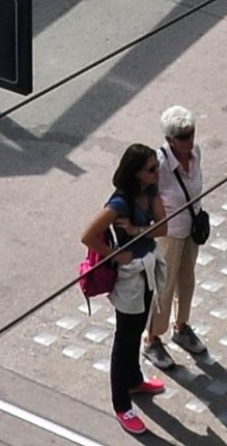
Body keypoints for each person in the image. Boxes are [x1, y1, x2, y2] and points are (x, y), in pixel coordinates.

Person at [82, 144, 166, 434]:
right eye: (151, 169)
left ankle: (134, 380)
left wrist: (135, 231)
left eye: (157, 167)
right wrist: (116, 254)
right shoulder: (119, 203)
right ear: (136, 172)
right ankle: (122, 405)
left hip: (148, 270)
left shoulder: (151, 192)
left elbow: (163, 227)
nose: (157, 172)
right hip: (130, 276)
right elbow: (88, 236)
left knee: (137, 328)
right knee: (125, 338)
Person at [144, 108, 208, 371]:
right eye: (183, 136)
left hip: (191, 230)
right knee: (164, 285)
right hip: (168, 234)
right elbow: (146, 196)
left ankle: (181, 327)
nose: (189, 141)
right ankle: (152, 339)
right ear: (170, 140)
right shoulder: (158, 165)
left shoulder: (196, 154)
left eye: (190, 134)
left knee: (187, 280)